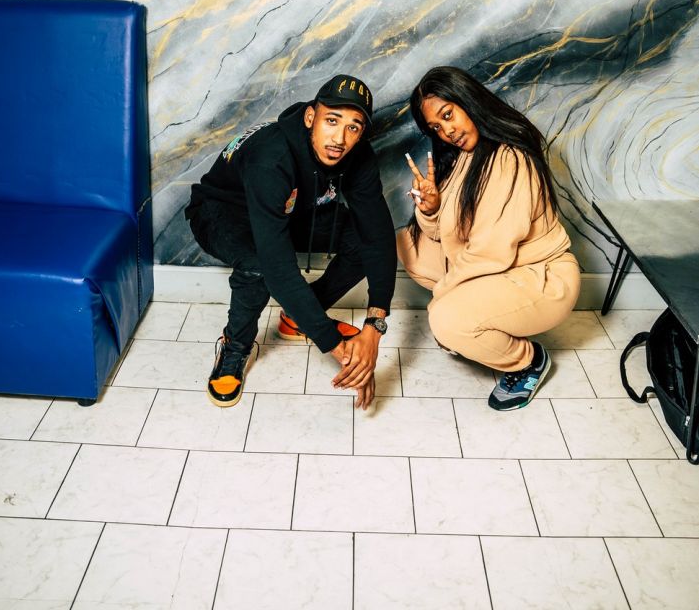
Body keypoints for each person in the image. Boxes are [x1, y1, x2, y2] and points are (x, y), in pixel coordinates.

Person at [185, 74, 396, 410]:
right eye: (332, 121)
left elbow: (378, 234)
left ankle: (299, 317)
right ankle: (235, 346)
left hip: (290, 208)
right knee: (257, 265)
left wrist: (374, 326)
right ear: (311, 116)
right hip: (223, 211)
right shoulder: (272, 158)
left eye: (353, 127)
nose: (340, 138)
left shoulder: (357, 154)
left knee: (360, 237)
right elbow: (278, 269)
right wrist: (338, 348)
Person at [398, 66, 580, 411]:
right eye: (436, 127)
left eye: (448, 115)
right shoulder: (467, 156)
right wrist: (431, 208)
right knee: (408, 244)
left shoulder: (510, 158)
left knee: (445, 320)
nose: (446, 131)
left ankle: (528, 361)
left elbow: (489, 252)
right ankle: (475, 312)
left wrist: (443, 297)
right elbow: (445, 232)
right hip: (500, 267)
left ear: (469, 101)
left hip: (539, 278)